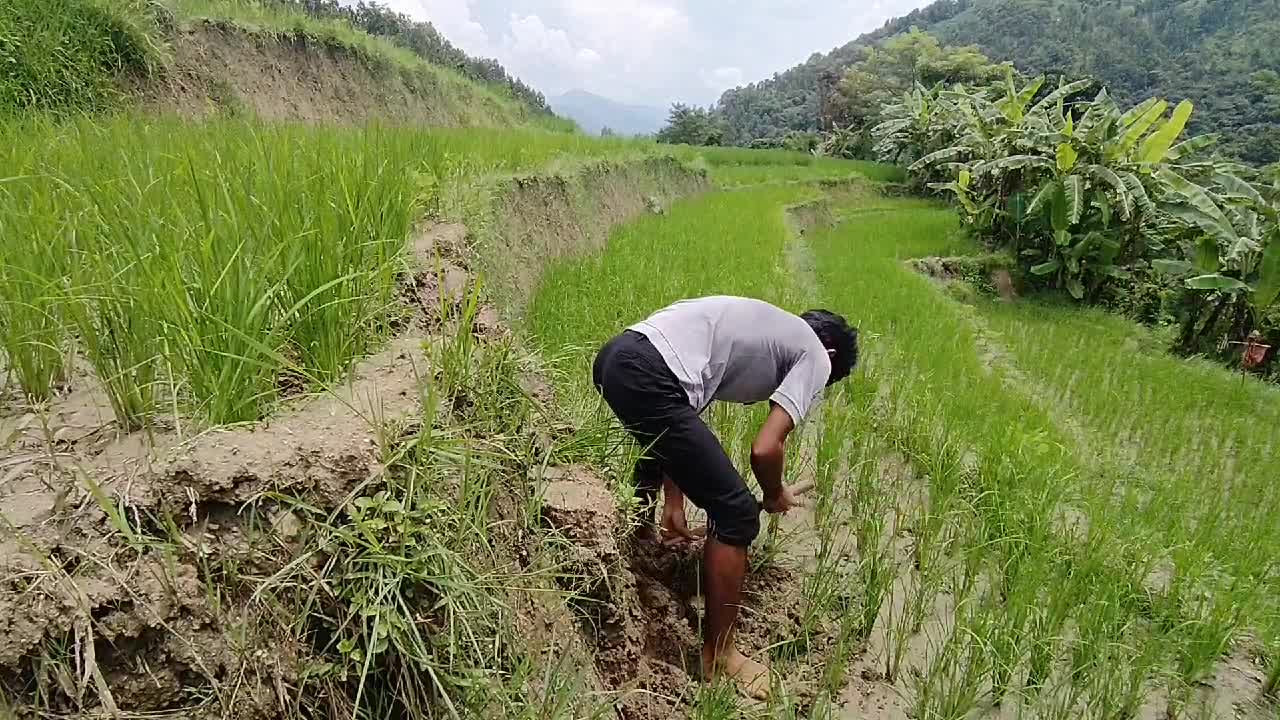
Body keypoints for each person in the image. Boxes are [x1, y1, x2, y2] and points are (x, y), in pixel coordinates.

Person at [592, 296, 859, 699]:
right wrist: (773, 494)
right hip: (647, 372)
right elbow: (765, 449)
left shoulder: (758, 328)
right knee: (737, 514)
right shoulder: (818, 354)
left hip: (618, 356)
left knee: (664, 449)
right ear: (831, 354)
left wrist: (674, 502)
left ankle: (643, 547)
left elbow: (680, 413)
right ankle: (720, 655)